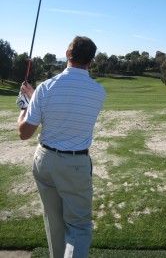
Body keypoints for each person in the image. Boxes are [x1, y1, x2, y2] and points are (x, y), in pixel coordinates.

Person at [17, 36, 106, 258]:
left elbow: (24, 132)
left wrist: (24, 106)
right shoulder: (98, 92)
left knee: (54, 223)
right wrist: (34, 97)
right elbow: (69, 102)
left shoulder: (45, 89)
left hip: (45, 161)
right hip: (75, 165)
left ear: (67, 55)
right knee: (78, 227)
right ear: (91, 61)